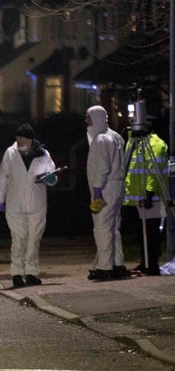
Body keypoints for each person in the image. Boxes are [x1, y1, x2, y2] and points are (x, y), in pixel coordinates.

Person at [0, 123, 58, 288]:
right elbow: (3, 177)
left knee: (34, 239)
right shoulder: (10, 153)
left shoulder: (43, 154)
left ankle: (31, 273)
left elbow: (51, 174)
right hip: (15, 204)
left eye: (21, 138)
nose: (18, 141)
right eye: (17, 138)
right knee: (18, 239)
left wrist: (51, 179)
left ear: (30, 140)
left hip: (36, 204)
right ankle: (16, 274)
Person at [85, 105, 127, 281]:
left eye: (88, 117)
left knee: (102, 228)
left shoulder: (101, 139)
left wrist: (97, 189)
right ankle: (118, 265)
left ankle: (105, 268)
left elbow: (103, 167)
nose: (86, 120)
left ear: (96, 118)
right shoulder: (116, 136)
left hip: (106, 187)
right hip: (118, 186)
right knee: (114, 228)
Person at [124, 128, 168, 275]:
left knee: (151, 232)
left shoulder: (155, 144)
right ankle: (145, 263)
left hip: (152, 197)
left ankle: (152, 264)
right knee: (141, 232)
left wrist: (149, 193)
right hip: (138, 197)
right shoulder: (135, 143)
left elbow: (154, 172)